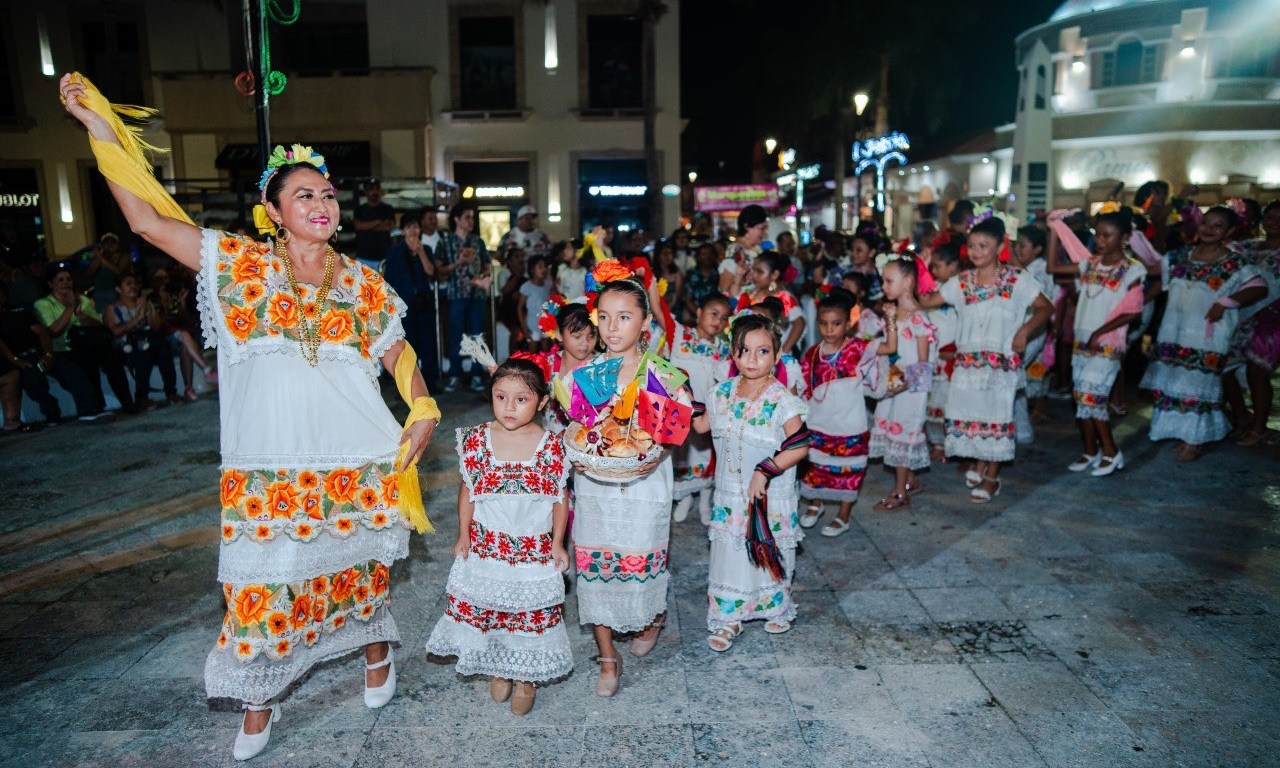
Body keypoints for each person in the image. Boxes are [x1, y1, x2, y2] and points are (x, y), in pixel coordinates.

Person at [60, 73, 439, 761]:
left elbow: (399, 353)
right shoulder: (236, 265)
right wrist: (102, 130)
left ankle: (377, 651)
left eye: (328, 194)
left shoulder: (363, 282)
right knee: (262, 588)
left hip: (358, 456)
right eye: (304, 195)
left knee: (360, 571)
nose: (322, 204)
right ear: (272, 210)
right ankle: (259, 699)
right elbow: (146, 221)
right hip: (268, 463)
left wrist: (423, 405)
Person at [426, 357, 571, 716]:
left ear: (541, 402)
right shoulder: (476, 440)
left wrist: (557, 543)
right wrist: (463, 534)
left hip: (533, 549)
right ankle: (501, 665)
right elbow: (468, 492)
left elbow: (559, 498)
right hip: (489, 546)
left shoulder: (552, 446)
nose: (509, 407)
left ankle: (526, 678)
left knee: (527, 613)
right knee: (493, 609)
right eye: (501, 397)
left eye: (521, 399)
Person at [569, 270, 681, 697]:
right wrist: (584, 453)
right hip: (595, 486)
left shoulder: (660, 374)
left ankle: (651, 618)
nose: (612, 328)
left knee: (640, 560)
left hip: (645, 486)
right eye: (604, 317)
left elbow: (670, 437)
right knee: (595, 566)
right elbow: (579, 430)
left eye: (624, 317)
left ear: (645, 322)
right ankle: (607, 657)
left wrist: (649, 457)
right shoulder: (589, 372)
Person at [692, 313, 810, 652]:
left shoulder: (782, 399)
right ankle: (729, 617)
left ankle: (775, 606)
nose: (752, 359)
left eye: (762, 351)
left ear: (777, 355)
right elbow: (700, 426)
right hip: (731, 493)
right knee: (731, 554)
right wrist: (677, 398)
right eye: (744, 351)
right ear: (733, 354)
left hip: (768, 494)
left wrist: (766, 469)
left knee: (768, 550)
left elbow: (800, 445)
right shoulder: (721, 393)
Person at [919, 217, 1053, 503]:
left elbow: (1046, 307)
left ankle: (992, 477)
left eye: (984, 245)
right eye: (972, 246)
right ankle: (981, 464)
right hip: (968, 366)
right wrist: (921, 266)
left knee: (997, 416)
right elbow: (926, 301)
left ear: (1000, 247)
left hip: (1000, 365)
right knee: (973, 415)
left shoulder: (1016, 279)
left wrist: (1025, 331)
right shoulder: (962, 281)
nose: (976, 251)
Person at [1139, 205, 1267, 461]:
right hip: (1174, 332)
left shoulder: (1233, 262)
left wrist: (1226, 302)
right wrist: (1134, 236)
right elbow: (1154, 270)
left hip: (1207, 335)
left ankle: (1194, 440)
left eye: (1218, 225)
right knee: (1174, 381)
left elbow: (1259, 287)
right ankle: (1176, 431)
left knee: (1197, 384)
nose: (1209, 229)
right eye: (1206, 222)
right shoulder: (1181, 256)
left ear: (1229, 231)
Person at [1045, 207, 1147, 476]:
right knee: (1083, 400)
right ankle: (1090, 450)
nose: (1100, 241)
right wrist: (1054, 230)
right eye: (1098, 235)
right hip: (1082, 343)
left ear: (1124, 237)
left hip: (1106, 344)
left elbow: (1134, 311)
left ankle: (1112, 452)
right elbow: (1053, 267)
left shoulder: (1132, 269)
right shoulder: (1089, 263)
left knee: (1093, 399)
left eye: (1107, 235)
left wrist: (1099, 332)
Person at [798, 290, 883, 536]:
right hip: (818, 421)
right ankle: (815, 502)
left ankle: (843, 515)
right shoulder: (812, 353)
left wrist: (890, 321)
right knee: (814, 466)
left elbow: (887, 349)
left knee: (848, 470)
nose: (829, 329)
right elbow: (804, 386)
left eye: (836, 324)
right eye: (824, 323)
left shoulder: (857, 349)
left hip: (849, 423)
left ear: (848, 324)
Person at [868, 259, 937, 510]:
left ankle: (900, 492)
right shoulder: (895, 313)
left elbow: (923, 364)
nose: (884, 286)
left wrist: (903, 386)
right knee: (890, 430)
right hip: (893, 383)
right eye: (883, 281)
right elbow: (892, 348)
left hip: (911, 388)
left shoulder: (919, 318)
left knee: (903, 433)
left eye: (889, 281)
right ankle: (909, 481)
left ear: (907, 282)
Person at [35, 263, 137, 415]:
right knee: (86, 363)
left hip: (88, 345)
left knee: (113, 359)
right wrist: (70, 308)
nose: (66, 283)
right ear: (50, 284)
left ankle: (127, 402)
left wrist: (82, 315)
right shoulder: (43, 304)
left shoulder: (82, 299)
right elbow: (53, 331)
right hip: (63, 350)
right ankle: (96, 406)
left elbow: (99, 324)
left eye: (68, 279)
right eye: (60, 280)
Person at [670, 293, 732, 524]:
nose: (718, 321)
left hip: (708, 413)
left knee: (706, 454)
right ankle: (684, 498)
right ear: (699, 312)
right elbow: (659, 309)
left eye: (724, 318)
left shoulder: (725, 349)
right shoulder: (679, 336)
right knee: (682, 454)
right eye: (713, 313)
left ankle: (705, 500)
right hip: (681, 410)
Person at [1223, 201, 1280, 446]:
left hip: (1274, 321)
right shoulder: (1248, 248)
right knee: (1223, 366)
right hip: (1244, 316)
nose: (1274, 222)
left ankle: (1259, 428)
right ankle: (1241, 415)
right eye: (1270, 217)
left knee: (1257, 372)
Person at [0, 279, 93, 425]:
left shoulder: (20, 313)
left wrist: (48, 355)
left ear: (4, 296)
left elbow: (42, 333)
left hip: (41, 352)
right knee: (32, 381)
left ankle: (88, 411)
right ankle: (52, 412)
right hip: (21, 359)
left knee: (72, 371)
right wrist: (15, 360)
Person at [438, 201, 492, 392]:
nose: (471, 221)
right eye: (467, 217)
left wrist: (483, 275)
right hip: (456, 293)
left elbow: (487, 264)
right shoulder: (445, 242)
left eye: (472, 218)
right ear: (456, 219)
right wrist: (458, 263)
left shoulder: (478, 241)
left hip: (477, 294)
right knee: (456, 334)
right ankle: (455, 374)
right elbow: (439, 269)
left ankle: (477, 374)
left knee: (477, 335)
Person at [105, 272, 179, 407]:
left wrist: (147, 310)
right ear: (118, 289)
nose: (133, 286)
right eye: (128, 284)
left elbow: (156, 327)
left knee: (163, 347)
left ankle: (171, 393)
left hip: (148, 340)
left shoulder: (144, 303)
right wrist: (137, 318)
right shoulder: (112, 308)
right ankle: (142, 397)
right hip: (125, 347)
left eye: (135, 284)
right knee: (142, 353)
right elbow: (115, 331)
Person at [383, 211, 439, 382]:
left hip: (424, 301)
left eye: (415, 226)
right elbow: (388, 280)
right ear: (403, 231)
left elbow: (432, 273)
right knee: (408, 344)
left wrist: (421, 252)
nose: (413, 231)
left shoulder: (426, 249)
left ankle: (430, 381)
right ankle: (408, 382)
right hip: (404, 303)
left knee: (428, 342)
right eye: (408, 227)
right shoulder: (394, 252)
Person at [1010, 225, 1054, 440]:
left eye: (1022, 246)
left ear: (1037, 249)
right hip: (1021, 330)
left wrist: (1014, 262)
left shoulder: (1041, 269)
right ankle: (1022, 430)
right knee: (1015, 378)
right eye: (1016, 245)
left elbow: (1038, 297)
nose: (1017, 250)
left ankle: (1018, 429)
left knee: (1011, 376)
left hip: (1032, 331)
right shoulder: (1026, 267)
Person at [149, 264, 217, 401]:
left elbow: (186, 321)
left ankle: (188, 389)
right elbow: (155, 327)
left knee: (185, 346)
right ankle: (207, 370)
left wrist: (182, 304)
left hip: (180, 336)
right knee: (184, 336)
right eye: (160, 278)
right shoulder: (150, 299)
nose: (164, 281)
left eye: (166, 278)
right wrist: (162, 306)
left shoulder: (174, 295)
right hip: (163, 339)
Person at [924, 237, 961, 461]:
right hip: (933, 353)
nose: (934, 270)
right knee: (933, 401)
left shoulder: (961, 288)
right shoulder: (933, 288)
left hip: (952, 353)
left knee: (950, 401)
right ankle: (938, 443)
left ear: (953, 266)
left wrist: (956, 349)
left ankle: (953, 444)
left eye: (938, 266)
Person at [734, 251, 806, 355]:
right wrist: (738, 276)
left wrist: (783, 352)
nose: (754, 275)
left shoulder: (783, 297)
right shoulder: (752, 291)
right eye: (753, 270)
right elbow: (733, 301)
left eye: (759, 272)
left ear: (774, 274)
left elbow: (799, 323)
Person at [720, 204, 767, 295]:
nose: (765, 233)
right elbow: (724, 289)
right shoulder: (735, 251)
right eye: (761, 228)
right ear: (746, 226)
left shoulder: (758, 249)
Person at [352, 179, 395, 271]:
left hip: (384, 257)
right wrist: (378, 222)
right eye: (371, 189)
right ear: (365, 192)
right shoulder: (359, 210)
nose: (374, 192)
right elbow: (358, 226)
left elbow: (388, 227)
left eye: (377, 189)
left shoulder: (388, 209)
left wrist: (365, 226)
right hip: (364, 257)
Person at [86, 232, 131, 312]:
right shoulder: (99, 258)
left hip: (117, 293)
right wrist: (98, 259)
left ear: (117, 245)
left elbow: (119, 272)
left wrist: (101, 258)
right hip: (100, 293)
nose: (109, 245)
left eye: (112, 243)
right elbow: (89, 274)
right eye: (106, 243)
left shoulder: (123, 257)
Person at [517, 254, 552, 352]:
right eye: (540, 266)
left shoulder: (547, 285)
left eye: (545, 266)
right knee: (532, 351)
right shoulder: (527, 286)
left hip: (545, 324)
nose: (543, 269)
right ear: (532, 269)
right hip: (532, 325)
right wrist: (523, 327)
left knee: (546, 352)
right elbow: (520, 307)